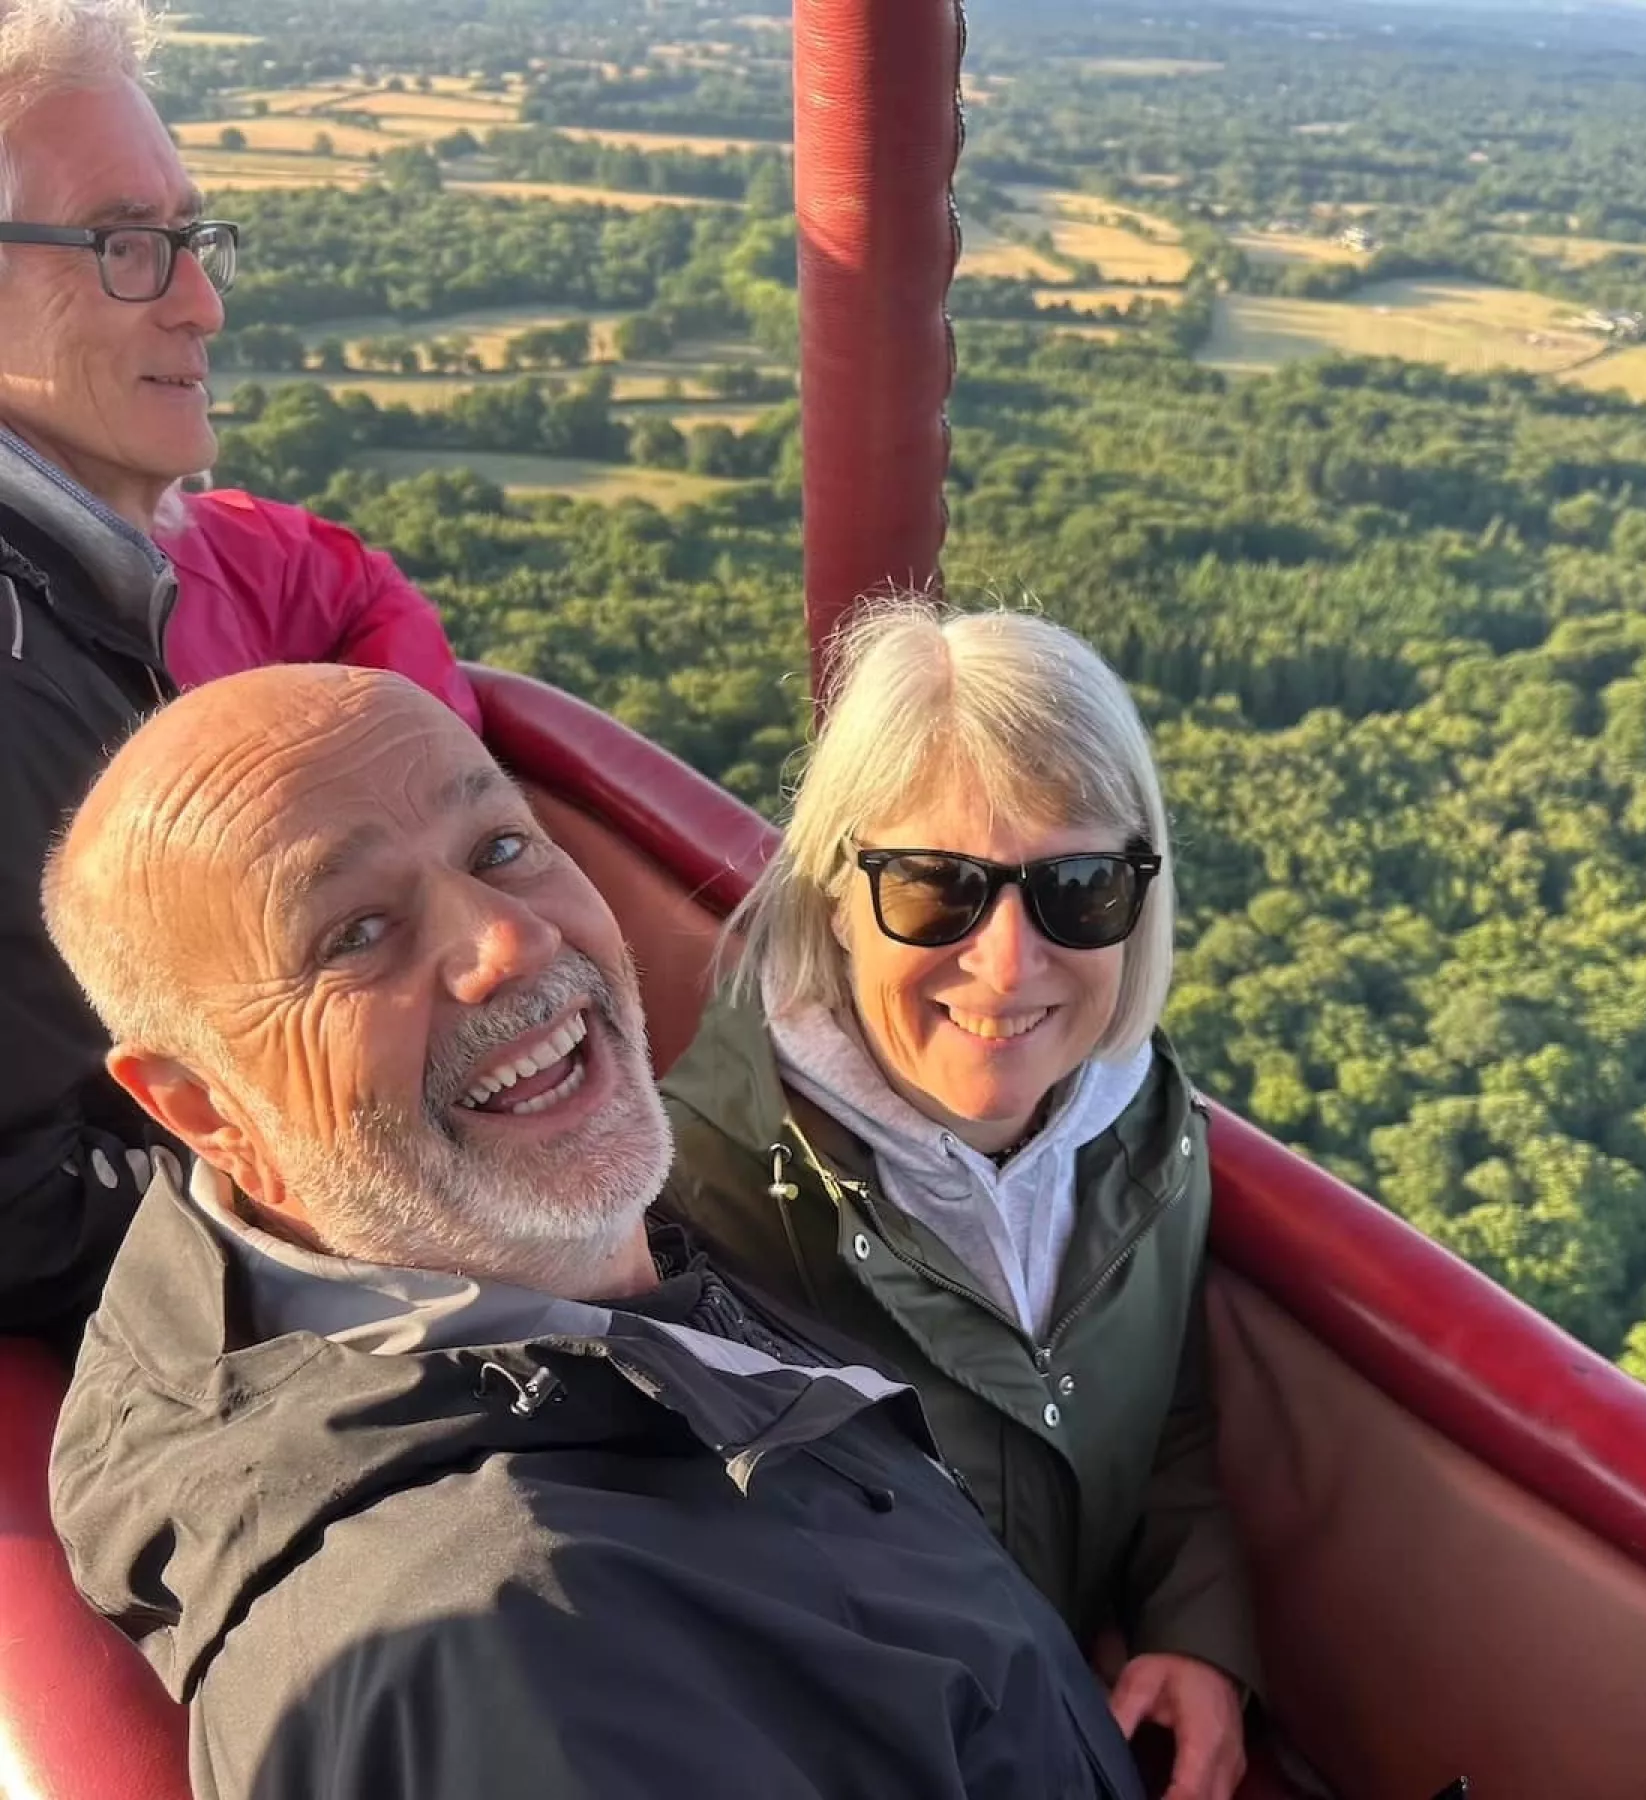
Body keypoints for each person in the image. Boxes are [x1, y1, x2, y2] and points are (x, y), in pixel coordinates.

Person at [44, 663, 1146, 1800]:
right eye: (357, 932)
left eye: (501, 849)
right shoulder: (510, 1657)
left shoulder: (548, 1264)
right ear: (204, 1108)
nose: (509, 944)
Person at [661, 604, 1259, 1800]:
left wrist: (1197, 1633)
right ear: (834, 889)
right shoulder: (695, 1206)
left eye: (1077, 887)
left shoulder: (1144, 1136)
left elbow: (1169, 1413)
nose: (1006, 962)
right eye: (936, 887)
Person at [0, 0, 474, 1347]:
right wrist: (411, 1199)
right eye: (125, 247)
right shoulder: (20, 686)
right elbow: (24, 1203)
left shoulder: (86, 595)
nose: (203, 302)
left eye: (192, 240)